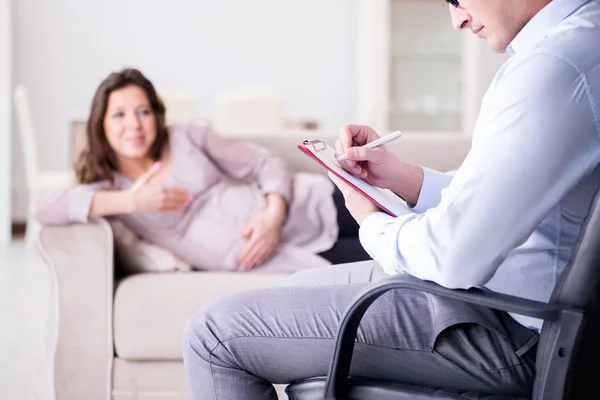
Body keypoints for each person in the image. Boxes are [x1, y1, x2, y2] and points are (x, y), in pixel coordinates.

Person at [182, 0, 600, 398]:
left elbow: (453, 256)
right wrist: (402, 177)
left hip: (511, 326)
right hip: (507, 300)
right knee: (292, 291)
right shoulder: (578, 45)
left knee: (213, 336)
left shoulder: (553, 70)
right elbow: (500, 196)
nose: (456, 21)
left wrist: (370, 221)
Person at [32, 68, 371, 272]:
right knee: (395, 261)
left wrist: (273, 213)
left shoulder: (184, 137)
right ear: (101, 124)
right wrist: (134, 202)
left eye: (143, 111)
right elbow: (43, 207)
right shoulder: (109, 190)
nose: (133, 124)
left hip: (310, 204)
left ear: (157, 115)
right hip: (292, 256)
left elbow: (265, 162)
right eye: (119, 114)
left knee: (412, 221)